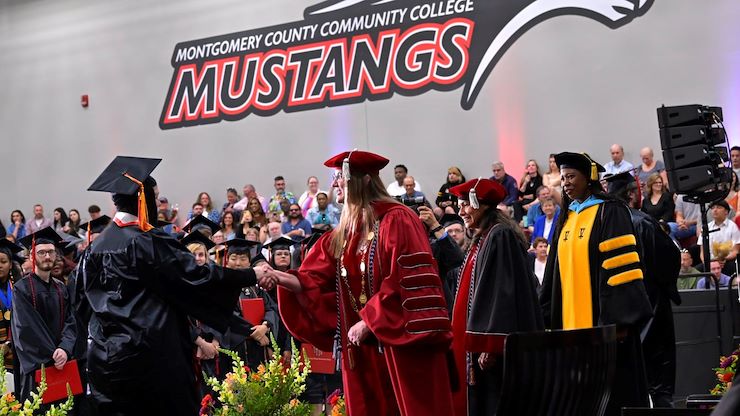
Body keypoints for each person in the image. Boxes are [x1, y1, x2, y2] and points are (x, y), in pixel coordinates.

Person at [74, 156, 275, 415]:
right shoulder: (146, 242)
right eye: (155, 197)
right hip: (151, 360)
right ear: (142, 199)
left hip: (106, 361)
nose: (158, 203)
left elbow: (80, 306)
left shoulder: (93, 250)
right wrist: (251, 275)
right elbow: (197, 277)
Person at [274, 150, 454, 415]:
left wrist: (371, 320)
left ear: (363, 180)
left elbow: (406, 278)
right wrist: (282, 279)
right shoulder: (345, 233)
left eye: (340, 177)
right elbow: (314, 277)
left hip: (400, 345)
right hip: (364, 350)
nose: (334, 183)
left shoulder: (397, 218)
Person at [540, 152, 652, 416]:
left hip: (605, 327)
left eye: (571, 177)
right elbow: (552, 276)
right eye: (563, 178)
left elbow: (621, 267)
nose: (565, 183)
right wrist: (546, 315)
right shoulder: (565, 217)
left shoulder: (609, 211)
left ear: (589, 178)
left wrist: (618, 322)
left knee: (610, 398)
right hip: (570, 326)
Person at [448, 178, 543, 416]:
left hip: (492, 348)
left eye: (465, 204)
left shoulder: (499, 236)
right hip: (477, 345)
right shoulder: (480, 238)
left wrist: (490, 345)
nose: (461, 211)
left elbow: (503, 292)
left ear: (481, 205)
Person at [605, 171, 681, 408]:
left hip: (616, 315)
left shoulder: (603, 225)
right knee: (657, 380)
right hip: (650, 307)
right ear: (631, 193)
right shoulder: (642, 222)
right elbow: (669, 258)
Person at [12, 227, 77, 403]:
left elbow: (71, 322)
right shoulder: (21, 289)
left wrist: (65, 348)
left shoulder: (61, 288)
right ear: (32, 256)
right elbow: (26, 329)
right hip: (37, 367)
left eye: (50, 252)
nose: (47, 256)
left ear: (56, 255)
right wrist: (54, 354)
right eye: (41, 252)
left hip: (61, 364)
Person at [0, 239, 22, 384]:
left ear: (10, 264)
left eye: (3, 261)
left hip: (17, 350)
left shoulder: (21, 287)